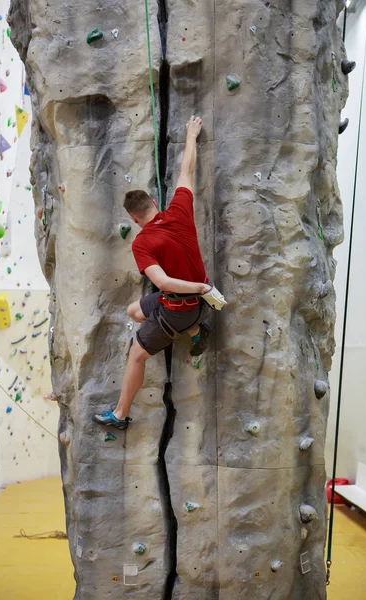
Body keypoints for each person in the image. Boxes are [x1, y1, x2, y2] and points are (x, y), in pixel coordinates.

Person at [93, 116, 221, 431]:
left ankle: (120, 415)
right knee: (134, 310)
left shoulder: (142, 243)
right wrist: (191, 134)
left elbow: (162, 282)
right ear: (153, 203)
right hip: (192, 298)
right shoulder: (178, 209)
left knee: (136, 356)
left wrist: (197, 289)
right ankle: (195, 330)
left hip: (181, 307)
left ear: (134, 220)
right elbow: (186, 171)